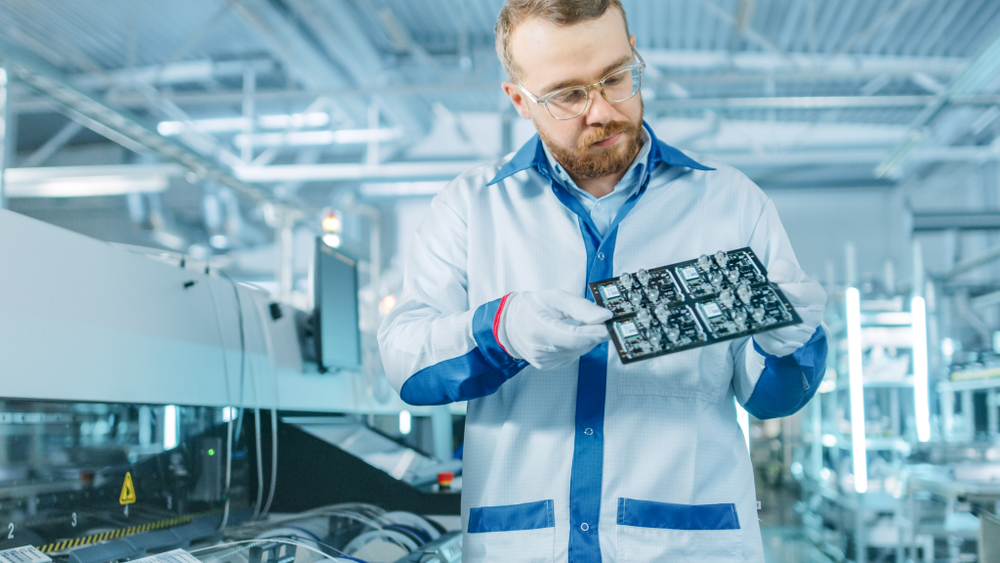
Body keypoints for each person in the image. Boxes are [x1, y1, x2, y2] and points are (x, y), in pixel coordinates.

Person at [377, 1, 828, 561]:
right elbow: (406, 364)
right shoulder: (470, 209)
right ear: (520, 100)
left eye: (616, 77)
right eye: (568, 95)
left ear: (634, 52)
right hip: (522, 545)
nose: (602, 111)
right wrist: (502, 330)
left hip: (688, 546)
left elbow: (767, 398)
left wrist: (788, 346)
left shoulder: (732, 203)